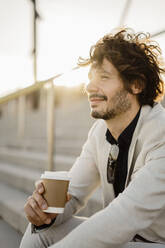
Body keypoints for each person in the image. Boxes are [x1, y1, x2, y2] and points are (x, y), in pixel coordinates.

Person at [20, 28, 165, 248]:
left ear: (136, 84)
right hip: (130, 239)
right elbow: (74, 194)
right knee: (39, 233)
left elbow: (124, 216)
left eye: (104, 77)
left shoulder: (161, 132)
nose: (89, 87)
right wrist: (45, 213)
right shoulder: (99, 132)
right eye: (90, 78)